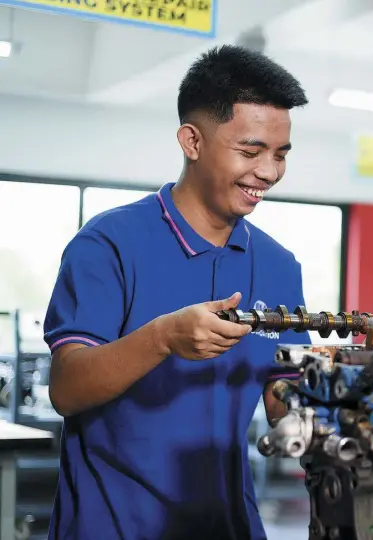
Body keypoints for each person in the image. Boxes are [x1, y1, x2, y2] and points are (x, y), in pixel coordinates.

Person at [43, 45, 311, 540]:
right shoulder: (108, 245)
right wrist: (163, 337)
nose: (269, 172)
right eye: (250, 152)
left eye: (280, 155)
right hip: (114, 525)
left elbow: (282, 396)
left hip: (229, 525)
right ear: (191, 140)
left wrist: (348, 398)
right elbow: (66, 389)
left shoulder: (279, 267)